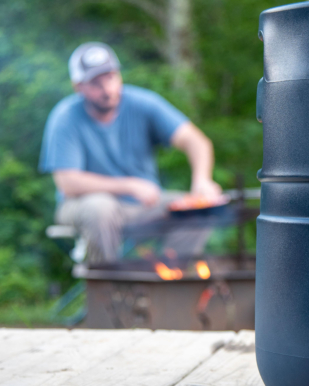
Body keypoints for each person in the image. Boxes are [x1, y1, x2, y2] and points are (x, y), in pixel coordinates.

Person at [39, 42, 222, 265]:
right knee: (100, 208)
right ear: (78, 87)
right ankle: (107, 289)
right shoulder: (65, 117)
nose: (107, 89)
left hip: (143, 206)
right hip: (82, 205)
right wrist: (130, 186)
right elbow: (68, 183)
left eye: (110, 78)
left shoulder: (143, 103)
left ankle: (168, 282)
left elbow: (196, 141)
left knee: (198, 210)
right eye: (96, 83)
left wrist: (202, 180)